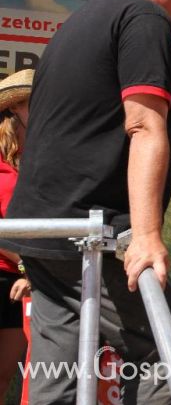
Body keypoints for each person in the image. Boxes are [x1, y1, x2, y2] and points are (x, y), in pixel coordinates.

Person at [0, 0, 171, 403]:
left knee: (57, 368)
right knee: (165, 358)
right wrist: (145, 236)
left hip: (40, 226)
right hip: (91, 231)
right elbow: (144, 125)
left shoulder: (81, 20)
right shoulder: (145, 18)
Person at [0, 70, 33, 401]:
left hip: (17, 282)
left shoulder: (25, 169)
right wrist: (31, 266)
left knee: (6, 373)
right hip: (13, 275)